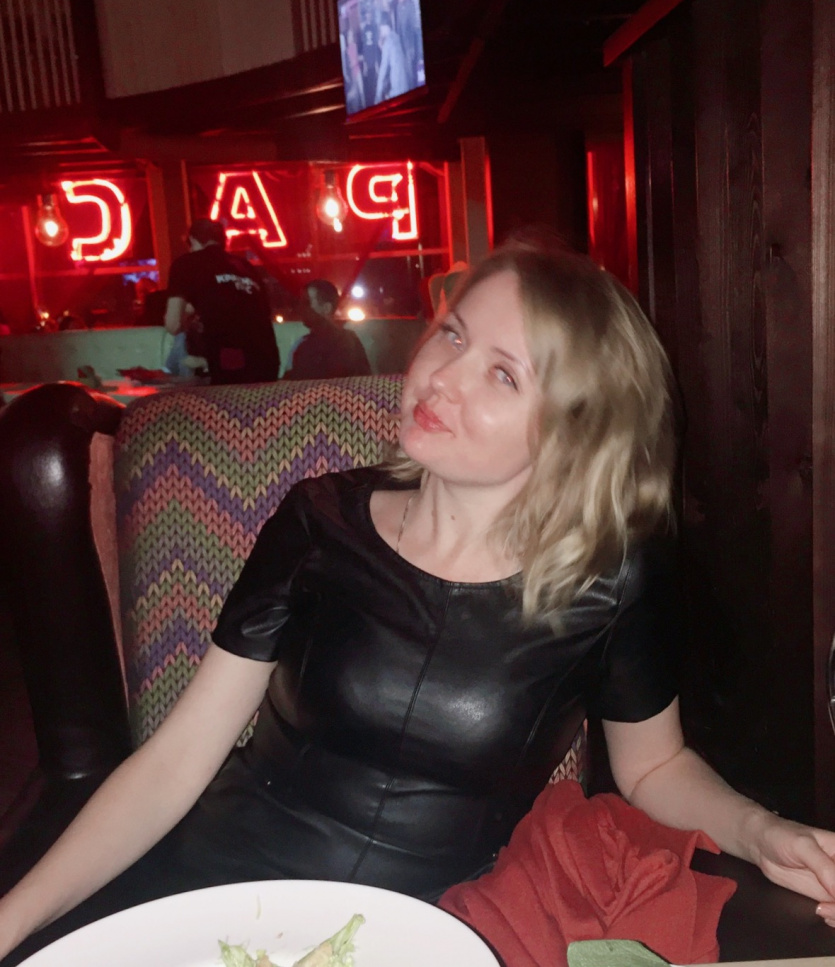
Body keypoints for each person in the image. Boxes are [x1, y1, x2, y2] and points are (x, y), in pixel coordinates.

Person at [4, 242, 835, 964]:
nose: (442, 377)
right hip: (225, 896)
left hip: (434, 932)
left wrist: (763, 832)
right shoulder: (317, 520)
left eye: (502, 373)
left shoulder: (609, 577)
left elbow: (654, 765)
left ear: (573, 434)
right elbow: (176, 760)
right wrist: (10, 918)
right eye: (452, 334)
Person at [165, 218, 279, 385]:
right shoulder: (245, 266)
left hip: (230, 367)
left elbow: (173, 325)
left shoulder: (186, 264)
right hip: (268, 362)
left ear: (193, 240)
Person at [283, 279, 371, 380]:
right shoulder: (350, 340)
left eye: (307, 303)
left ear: (326, 308)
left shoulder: (302, 345)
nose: (301, 308)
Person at [375, 13, 408, 104]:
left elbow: (383, 70)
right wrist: (383, 49)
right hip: (404, 81)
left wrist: (377, 94)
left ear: (384, 26)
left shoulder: (387, 43)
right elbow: (394, 56)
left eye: (380, 28)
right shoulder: (396, 36)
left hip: (397, 84)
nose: (380, 31)